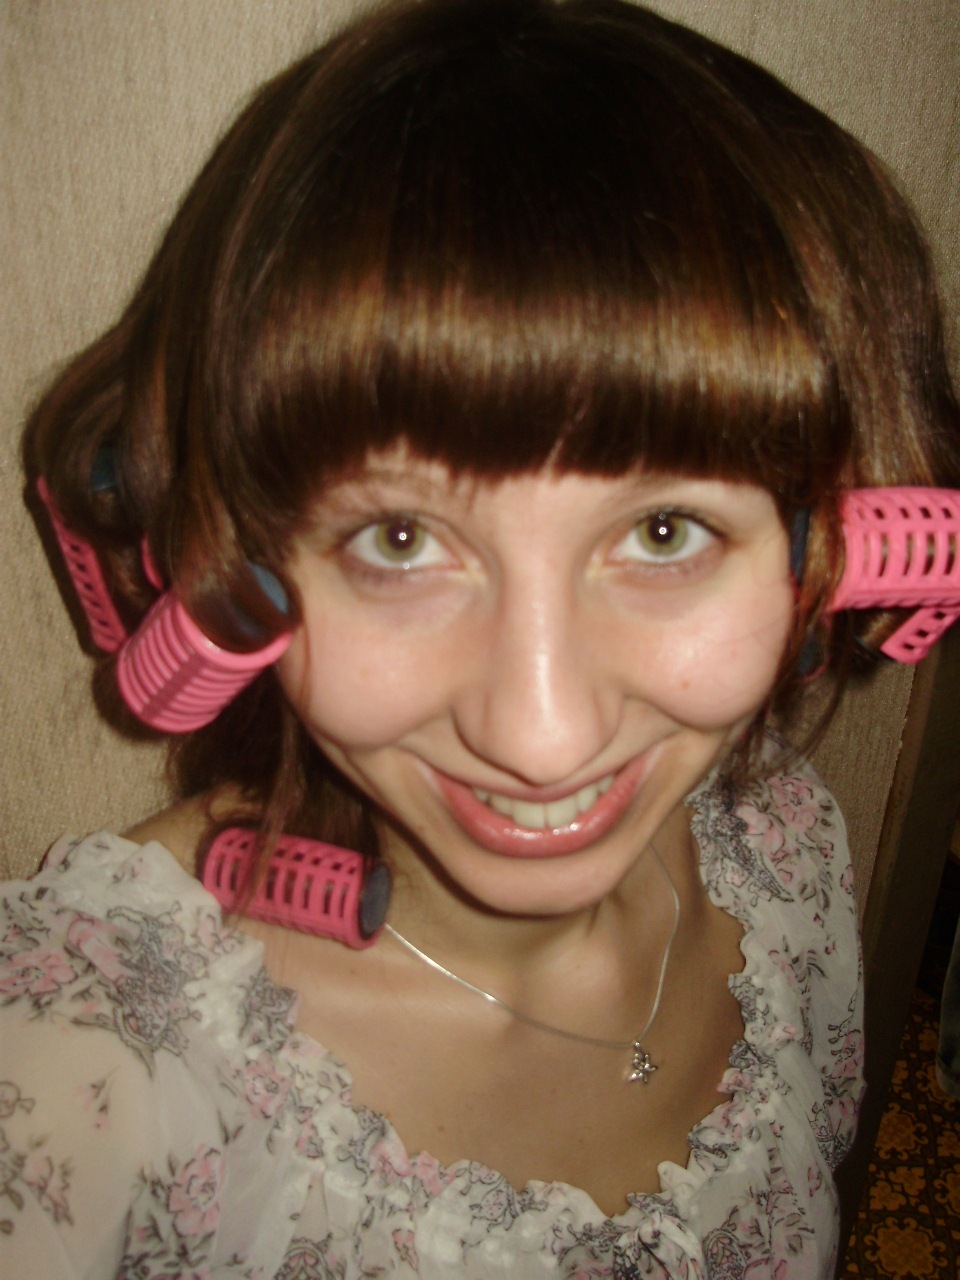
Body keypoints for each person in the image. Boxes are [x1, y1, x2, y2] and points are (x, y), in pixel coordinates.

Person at [3, 0, 959, 1276]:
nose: (541, 734)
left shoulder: (783, 848)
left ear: (840, 552)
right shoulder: (81, 1073)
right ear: (220, 580)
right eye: (399, 539)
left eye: (665, 530)